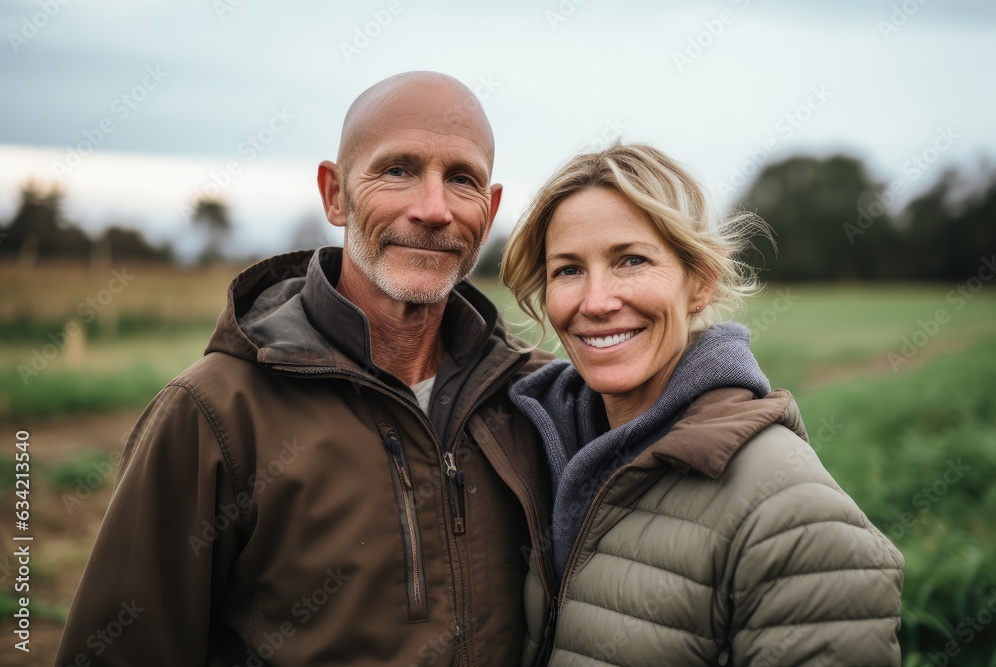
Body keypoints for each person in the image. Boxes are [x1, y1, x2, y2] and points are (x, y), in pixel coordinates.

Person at [55, 71, 555, 666]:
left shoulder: (537, 401)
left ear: (491, 208)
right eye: (397, 170)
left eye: (462, 179)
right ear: (335, 194)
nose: (432, 209)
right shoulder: (214, 413)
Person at [500, 143, 905, 666]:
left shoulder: (793, 516)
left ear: (701, 284)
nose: (596, 301)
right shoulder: (528, 450)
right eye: (569, 270)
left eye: (632, 260)